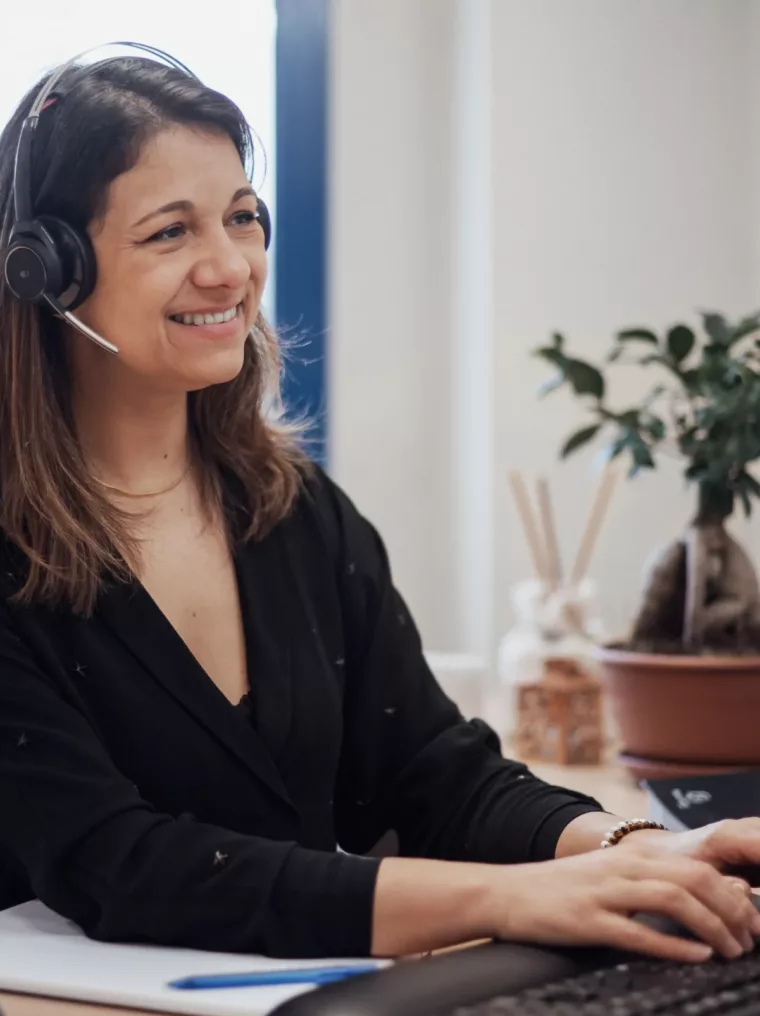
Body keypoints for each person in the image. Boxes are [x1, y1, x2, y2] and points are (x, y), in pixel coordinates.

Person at [0, 45, 759, 966]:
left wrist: (634, 852)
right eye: (170, 233)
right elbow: (127, 866)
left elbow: (435, 773)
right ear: (48, 271)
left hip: (287, 1014)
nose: (229, 267)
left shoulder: (291, 509)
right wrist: (520, 899)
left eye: (243, 218)